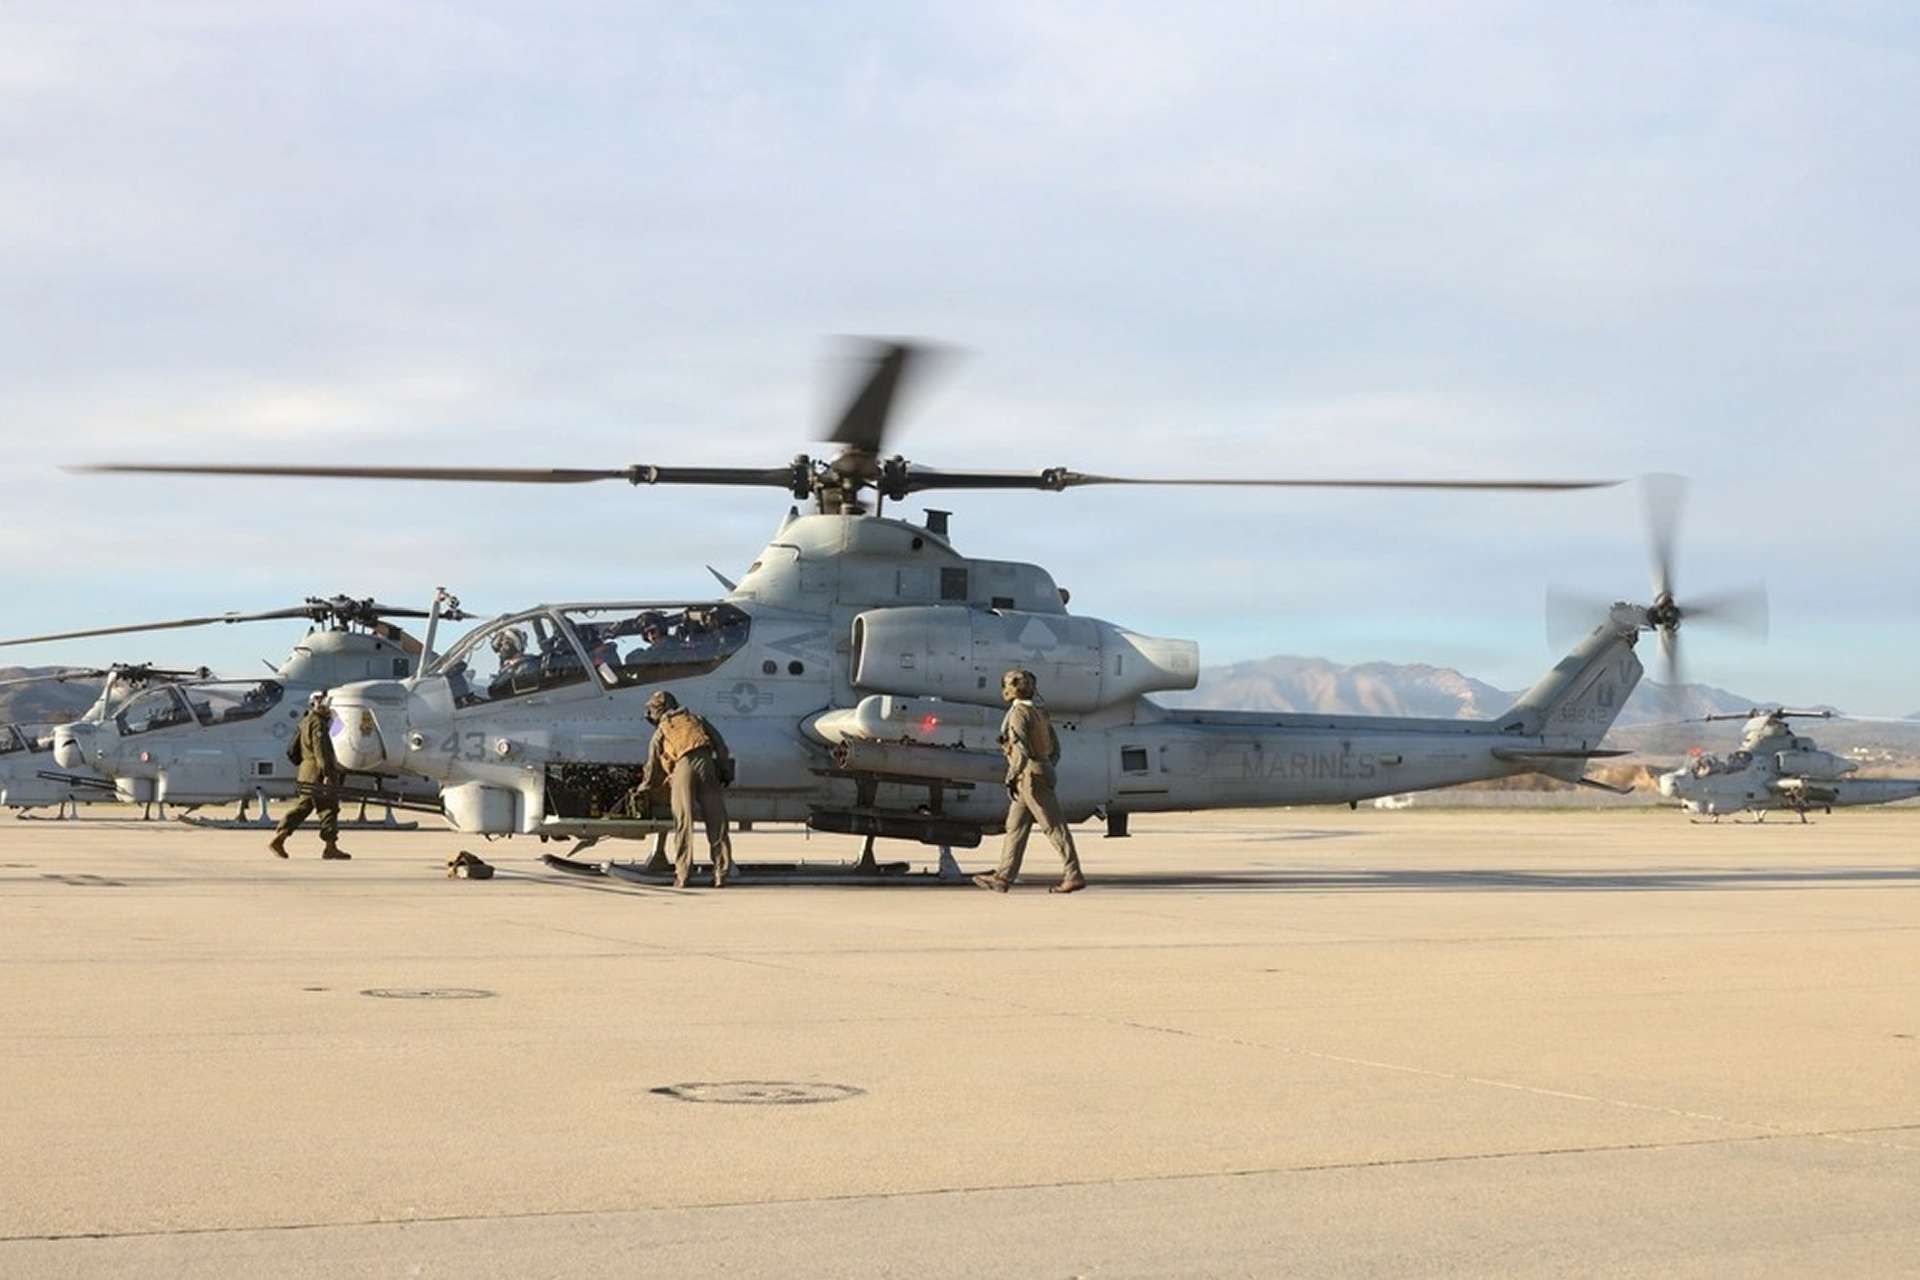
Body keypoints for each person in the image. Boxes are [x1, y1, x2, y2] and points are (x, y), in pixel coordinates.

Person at [975, 668, 1085, 894]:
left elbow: (1021, 749)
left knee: (1053, 826)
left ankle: (1073, 874)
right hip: (1037, 772)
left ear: (1011, 688)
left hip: (1028, 776)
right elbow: (1056, 750)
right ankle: (1003, 877)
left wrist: (1012, 775)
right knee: (1015, 827)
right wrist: (1045, 767)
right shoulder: (1040, 713)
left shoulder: (1018, 714)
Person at [638, 690, 736, 887]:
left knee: (684, 823)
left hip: (683, 769)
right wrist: (725, 771)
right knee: (717, 822)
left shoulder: (662, 730)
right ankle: (721, 874)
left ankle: (683, 875)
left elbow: (652, 765)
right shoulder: (697, 719)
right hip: (707, 765)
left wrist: (644, 788)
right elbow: (721, 745)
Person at [269, 690, 349, 861]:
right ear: (315, 703)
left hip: (306, 772)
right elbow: (322, 751)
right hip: (318, 772)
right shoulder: (318, 723)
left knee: (303, 807)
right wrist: (327, 773)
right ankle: (330, 847)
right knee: (328, 808)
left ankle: (280, 837)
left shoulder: (305, 721)